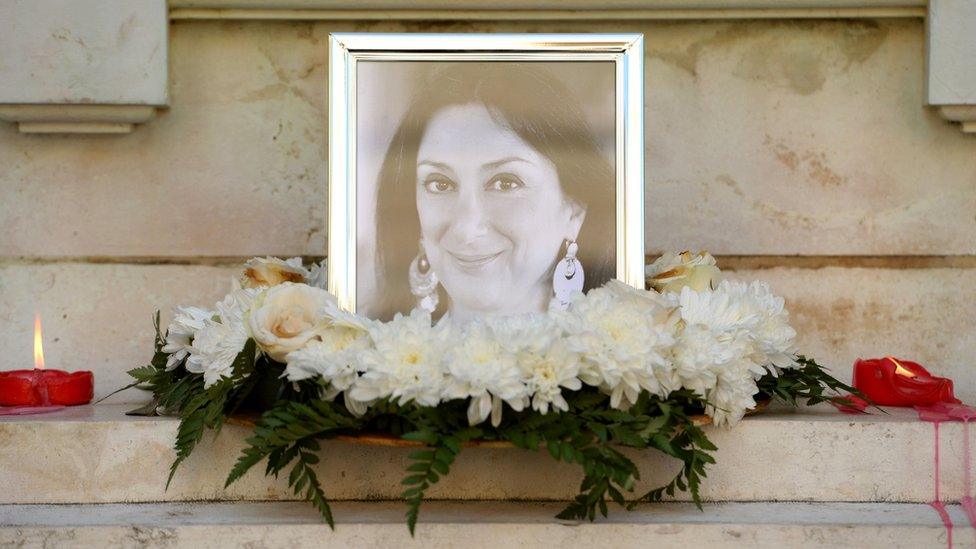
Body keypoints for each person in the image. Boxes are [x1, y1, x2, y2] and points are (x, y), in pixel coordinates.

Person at [371, 62, 614, 322]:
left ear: (574, 211)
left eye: (506, 183)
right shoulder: (356, 354)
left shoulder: (633, 353)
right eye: (440, 184)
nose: (466, 228)